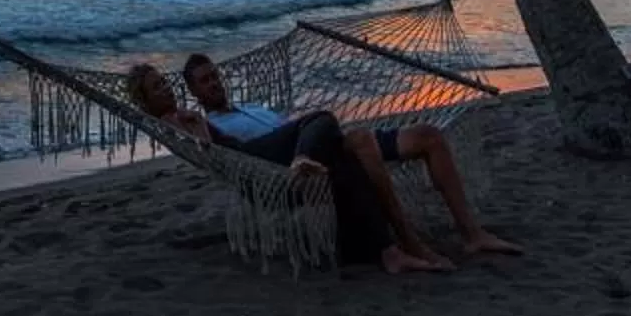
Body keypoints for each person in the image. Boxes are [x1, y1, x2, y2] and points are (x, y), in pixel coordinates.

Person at [179, 51, 523, 264]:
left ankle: (473, 234)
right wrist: (192, 125)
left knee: (428, 136)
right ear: (192, 91)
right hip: (292, 172)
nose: (214, 83)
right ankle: (408, 241)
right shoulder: (212, 127)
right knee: (360, 142)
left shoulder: (253, 108)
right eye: (205, 81)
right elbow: (210, 151)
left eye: (215, 76)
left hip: (329, 144)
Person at [122, 60, 444, 276]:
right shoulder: (174, 121)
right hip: (250, 158)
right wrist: (198, 125)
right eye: (156, 87)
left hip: (257, 154)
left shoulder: (183, 116)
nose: (165, 88)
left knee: (343, 160)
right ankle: (304, 157)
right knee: (321, 118)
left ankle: (387, 252)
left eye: (164, 82)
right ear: (145, 99)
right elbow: (208, 151)